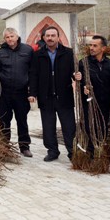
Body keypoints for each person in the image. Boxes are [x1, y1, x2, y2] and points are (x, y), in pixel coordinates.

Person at [29, 26, 81, 161]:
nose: (50, 38)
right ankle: (52, 151)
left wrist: (77, 76)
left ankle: (72, 151)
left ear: (58, 37)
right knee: (48, 127)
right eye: (48, 36)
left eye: (53, 35)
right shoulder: (38, 55)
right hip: (45, 97)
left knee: (69, 127)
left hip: (64, 96)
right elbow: (33, 75)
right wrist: (32, 93)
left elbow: (75, 72)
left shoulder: (68, 53)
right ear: (44, 38)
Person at [0, 27, 33, 157]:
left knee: (22, 119)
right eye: (7, 37)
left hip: (21, 92)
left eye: (12, 36)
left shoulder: (27, 50)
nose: (10, 39)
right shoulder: (1, 52)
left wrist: (31, 92)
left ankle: (24, 146)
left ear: (17, 37)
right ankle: (4, 146)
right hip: (4, 92)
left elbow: (32, 72)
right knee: (4, 120)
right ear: (4, 39)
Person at [78, 35, 110, 145]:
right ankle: (90, 154)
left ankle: (100, 152)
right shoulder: (83, 63)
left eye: (95, 46)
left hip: (104, 103)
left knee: (102, 128)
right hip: (88, 103)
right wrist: (83, 86)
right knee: (89, 128)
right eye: (90, 45)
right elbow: (77, 80)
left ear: (103, 48)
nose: (91, 48)